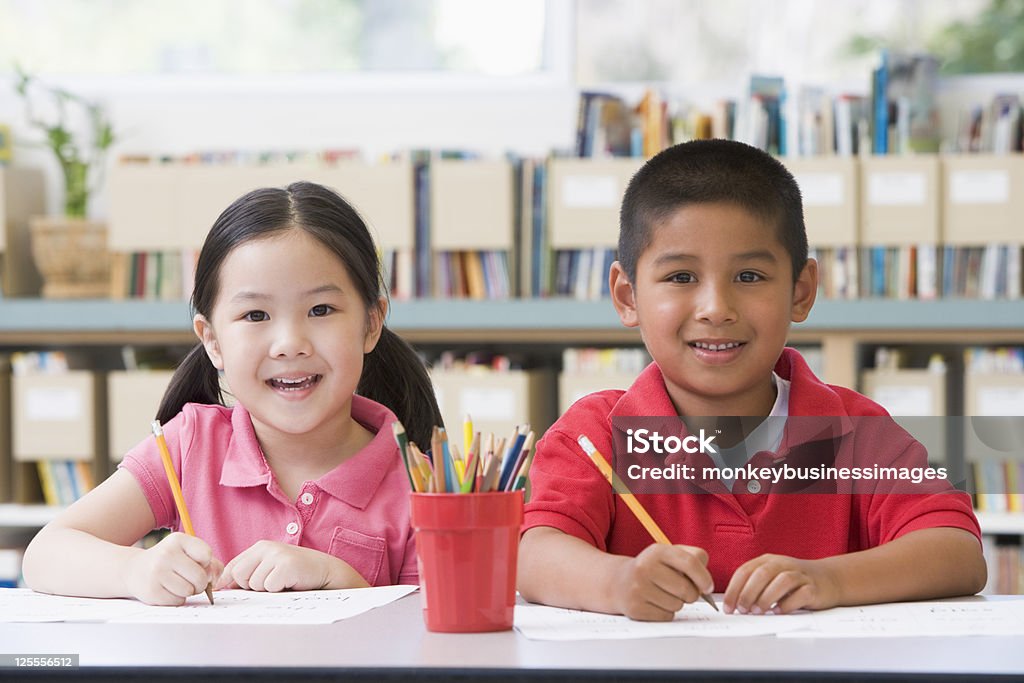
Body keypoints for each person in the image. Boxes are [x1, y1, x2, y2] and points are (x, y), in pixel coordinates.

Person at [518, 139, 986, 621]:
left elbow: (957, 552)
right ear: (627, 296)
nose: (716, 308)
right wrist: (617, 583)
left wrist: (829, 579)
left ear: (801, 292)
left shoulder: (856, 430)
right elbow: (534, 556)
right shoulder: (593, 433)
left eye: (749, 276)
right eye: (680, 277)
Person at [23, 181, 442, 605]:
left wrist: (342, 581)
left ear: (371, 323)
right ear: (213, 342)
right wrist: (135, 569)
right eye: (255, 314)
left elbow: (426, 633)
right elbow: (46, 553)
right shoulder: (190, 445)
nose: (289, 343)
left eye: (321, 310)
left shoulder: (420, 484)